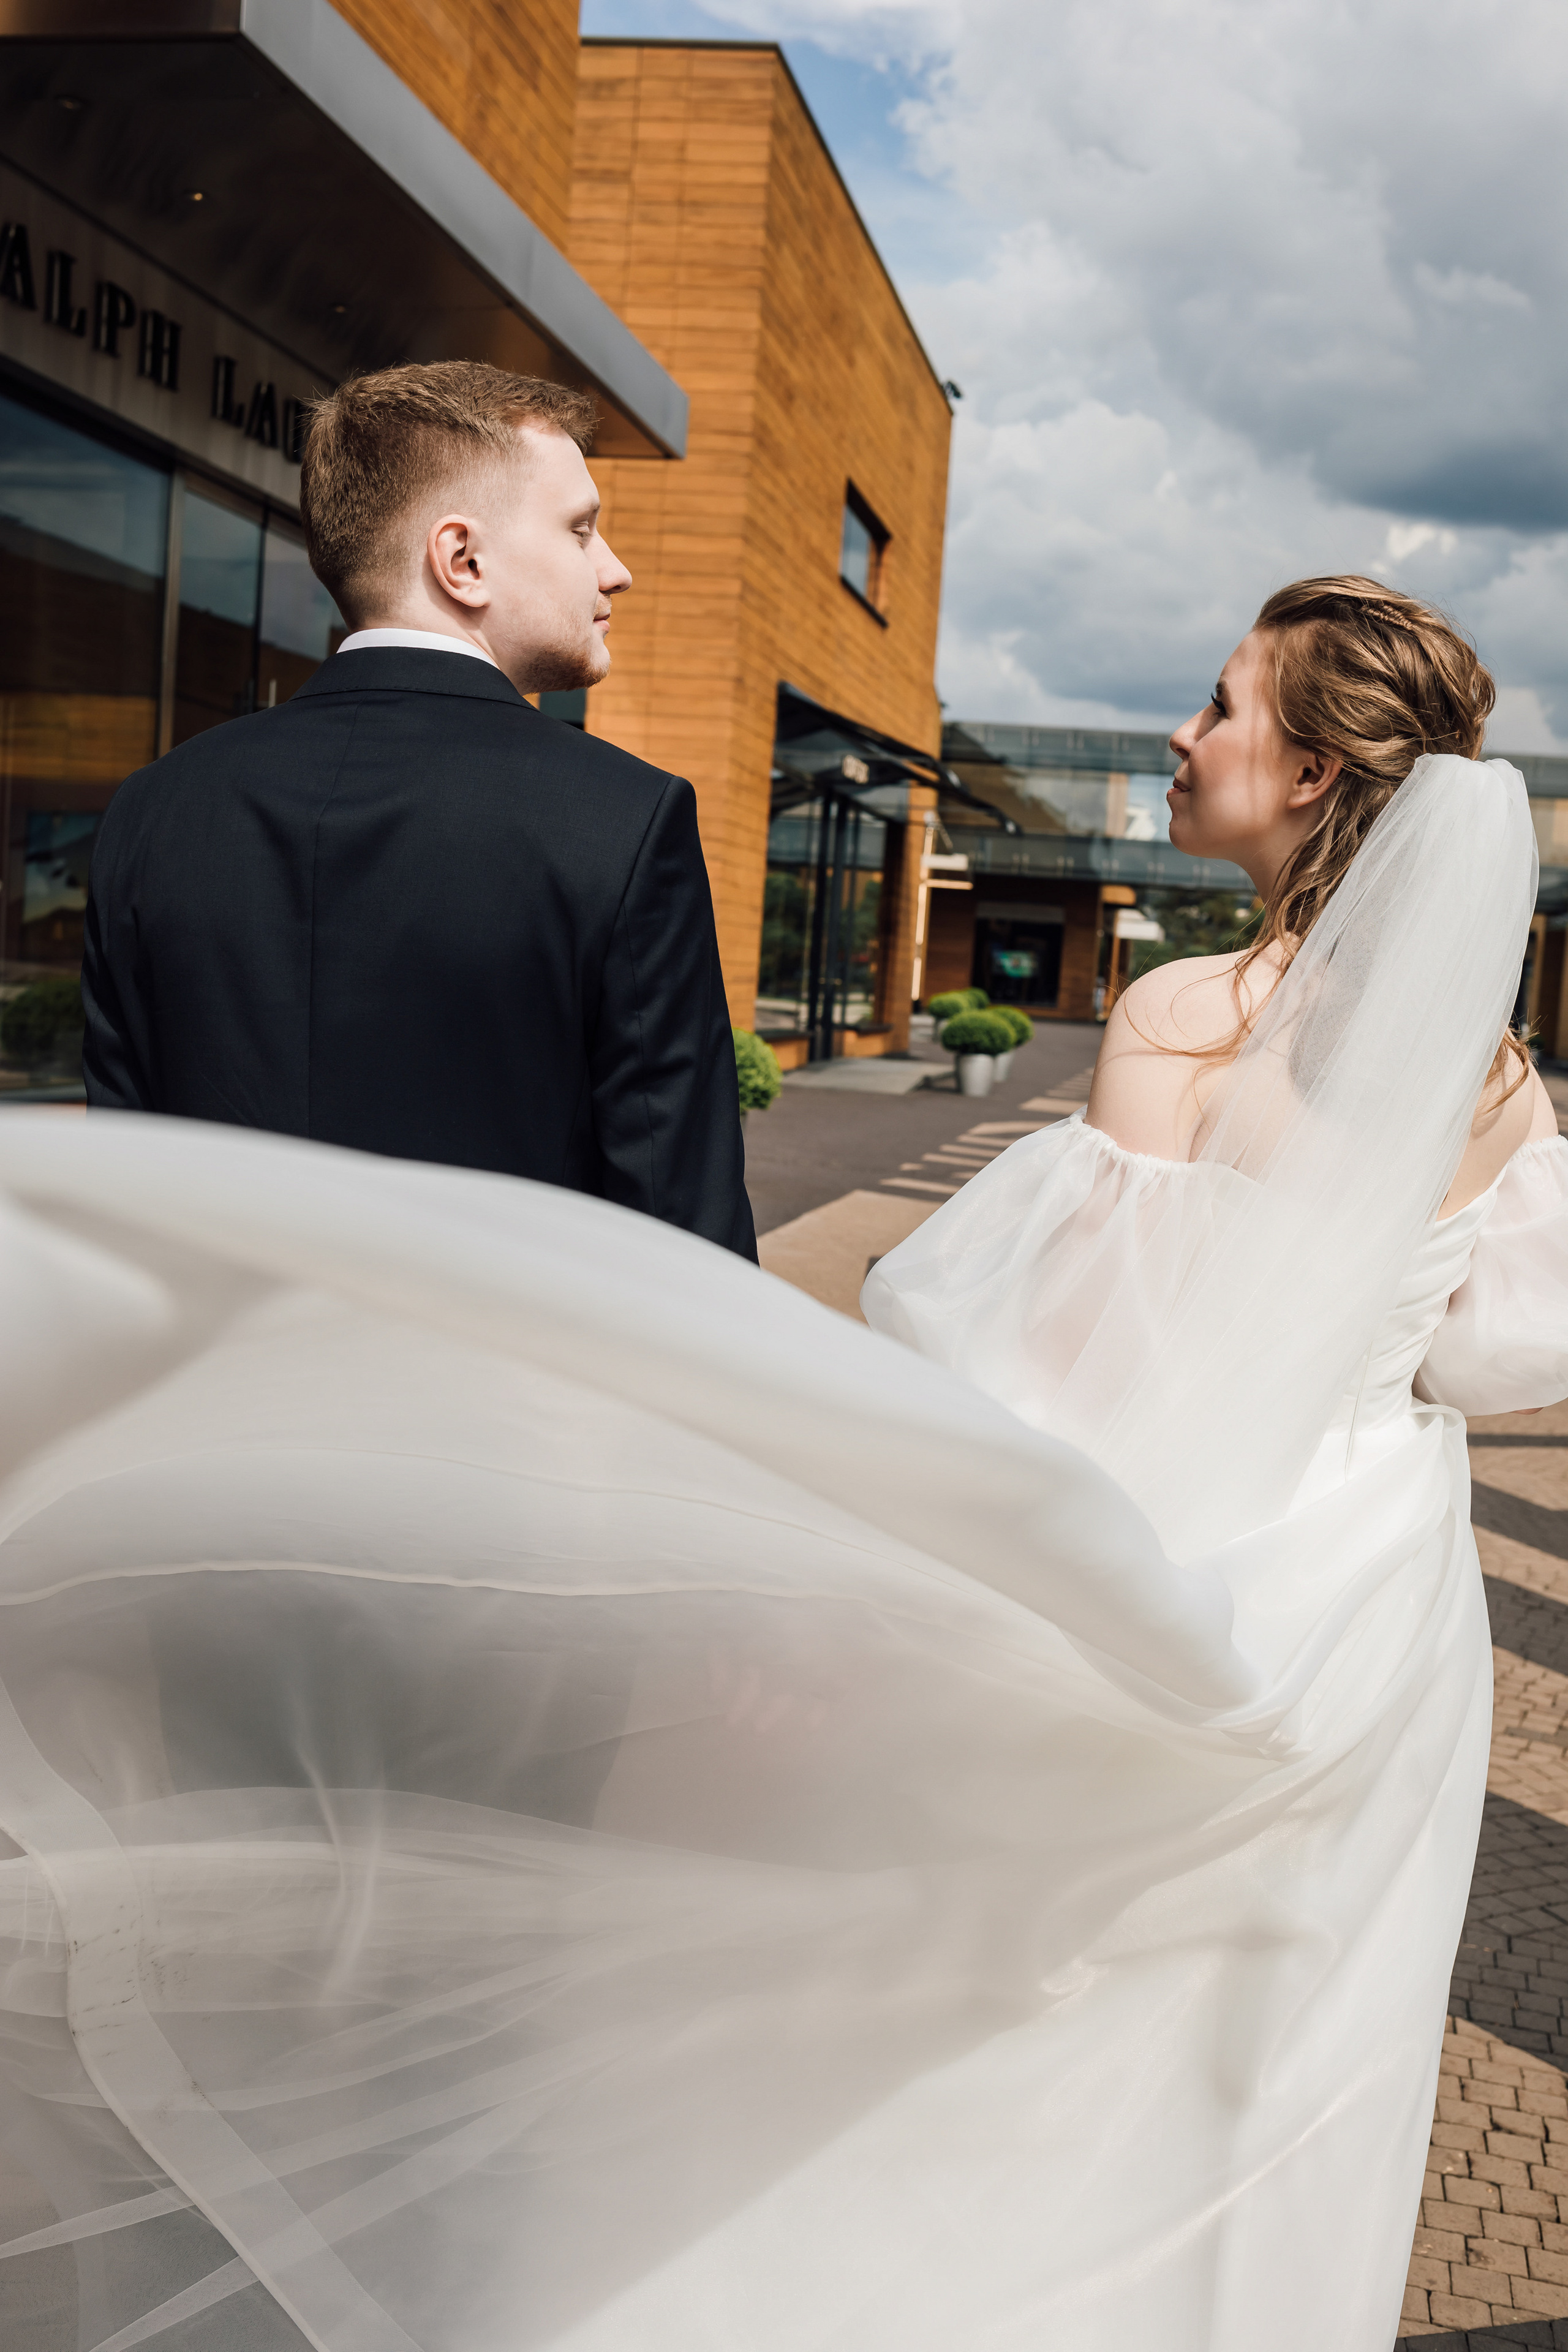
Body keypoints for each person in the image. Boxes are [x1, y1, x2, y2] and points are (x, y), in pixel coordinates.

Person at [0, 579, 1562, 2352]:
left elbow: (1080, 1374)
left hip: (1167, 1567)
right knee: (1282, 2054)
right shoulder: (1496, 1082)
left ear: (1308, 774)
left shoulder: (1181, 1013)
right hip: (1359, 1603)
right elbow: (1502, 1347)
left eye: (1220, 708)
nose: (1184, 739)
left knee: (1009, 2026)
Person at [79, 361, 755, 1261]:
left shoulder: (153, 809)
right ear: (462, 561)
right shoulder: (624, 819)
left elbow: (119, 1188)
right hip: (502, 1397)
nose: (616, 569)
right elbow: (686, 1235)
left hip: (214, 1395)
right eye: (581, 528)